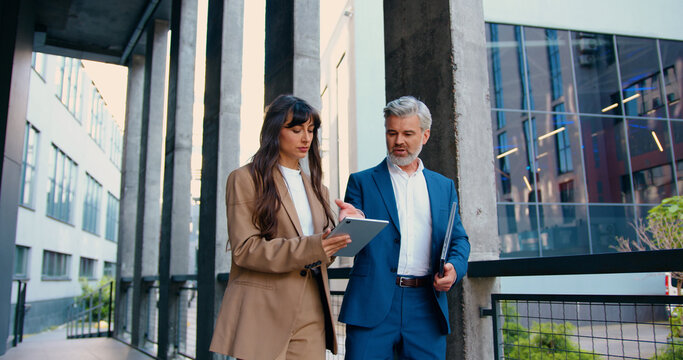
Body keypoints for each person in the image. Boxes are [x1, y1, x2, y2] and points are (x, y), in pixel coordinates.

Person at [209, 95, 351, 360]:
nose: (306, 138)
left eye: (310, 130)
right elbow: (245, 250)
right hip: (263, 309)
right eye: (296, 130)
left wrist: (343, 232)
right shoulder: (244, 179)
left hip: (311, 307)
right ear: (275, 131)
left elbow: (322, 253)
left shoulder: (318, 188)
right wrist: (313, 246)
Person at [337, 96, 470, 359]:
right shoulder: (362, 182)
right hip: (372, 304)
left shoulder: (443, 186)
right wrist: (350, 224)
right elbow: (348, 243)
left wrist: (454, 269)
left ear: (425, 135)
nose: (399, 141)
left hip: (426, 306)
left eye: (408, 133)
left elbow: (459, 240)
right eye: (392, 133)